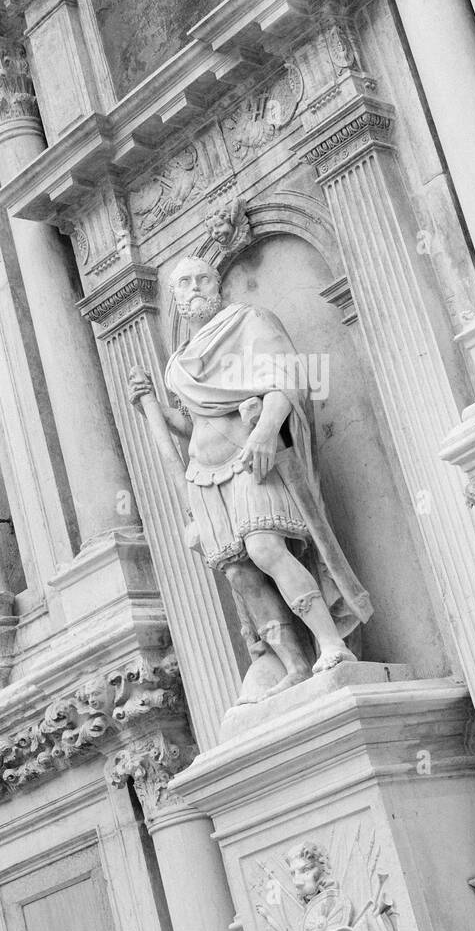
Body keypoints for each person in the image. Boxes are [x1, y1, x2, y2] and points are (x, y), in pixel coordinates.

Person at [129, 258, 371, 696]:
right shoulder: (179, 363)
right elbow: (191, 424)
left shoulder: (249, 321)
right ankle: (294, 663)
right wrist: (154, 407)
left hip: (250, 459)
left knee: (265, 548)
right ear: (176, 298)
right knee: (240, 575)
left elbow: (288, 380)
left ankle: (332, 643)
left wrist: (263, 432)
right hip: (204, 476)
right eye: (184, 282)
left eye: (203, 278)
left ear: (217, 285)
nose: (195, 287)